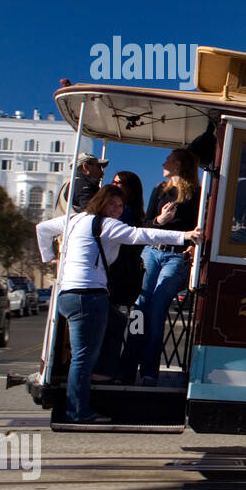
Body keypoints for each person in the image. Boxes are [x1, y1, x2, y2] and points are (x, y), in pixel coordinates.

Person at [36, 185, 202, 423]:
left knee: (118, 322)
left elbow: (42, 228)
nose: (116, 209)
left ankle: (104, 374)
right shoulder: (106, 225)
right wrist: (184, 236)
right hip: (88, 297)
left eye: (120, 206)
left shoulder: (73, 220)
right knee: (83, 359)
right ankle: (78, 411)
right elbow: (142, 235)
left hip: (68, 296)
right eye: (112, 204)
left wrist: (50, 258)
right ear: (100, 203)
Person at [121, 149, 201, 385]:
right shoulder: (159, 190)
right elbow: (144, 225)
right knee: (140, 306)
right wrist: (159, 221)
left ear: (179, 164)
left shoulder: (196, 194)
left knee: (156, 310)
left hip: (176, 257)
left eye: (169, 159)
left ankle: (149, 370)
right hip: (152, 252)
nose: (164, 162)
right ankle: (128, 365)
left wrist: (193, 247)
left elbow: (201, 226)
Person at [94, 170, 146, 381]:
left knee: (112, 323)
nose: (114, 185)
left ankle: (104, 370)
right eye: (113, 182)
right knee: (116, 322)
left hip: (118, 275)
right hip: (119, 274)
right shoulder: (130, 212)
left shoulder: (123, 215)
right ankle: (112, 368)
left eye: (119, 183)